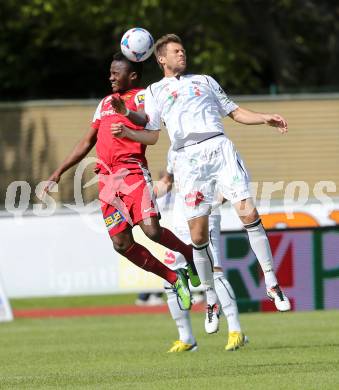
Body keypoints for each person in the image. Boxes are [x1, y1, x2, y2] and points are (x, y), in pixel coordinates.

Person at [110, 34, 291, 326]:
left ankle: (272, 282)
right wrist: (128, 117)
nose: (182, 55)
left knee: (249, 213)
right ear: (161, 59)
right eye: (176, 51)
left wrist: (264, 117)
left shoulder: (205, 80)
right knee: (197, 237)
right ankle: (209, 298)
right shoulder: (156, 90)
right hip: (188, 161)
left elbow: (234, 111)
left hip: (219, 148)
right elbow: (151, 128)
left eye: (183, 51)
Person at [43, 52, 202, 310]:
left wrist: (126, 113)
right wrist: (59, 171)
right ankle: (174, 277)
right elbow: (87, 141)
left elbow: (147, 124)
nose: (111, 77)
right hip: (107, 180)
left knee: (151, 231)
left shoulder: (142, 96)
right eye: (110, 73)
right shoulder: (105, 102)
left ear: (133, 76)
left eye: (116, 73)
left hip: (132, 172)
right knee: (121, 244)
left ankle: (189, 255)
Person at [156, 148, 248, 352]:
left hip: (206, 218)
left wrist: (212, 203)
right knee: (171, 278)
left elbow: (231, 185)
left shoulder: (215, 144)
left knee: (214, 272)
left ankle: (235, 330)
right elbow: (167, 181)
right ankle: (187, 338)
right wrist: (148, 197)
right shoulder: (174, 149)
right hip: (180, 222)